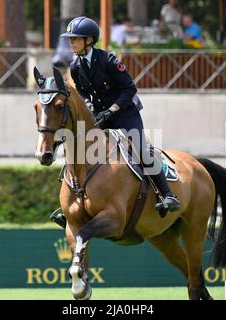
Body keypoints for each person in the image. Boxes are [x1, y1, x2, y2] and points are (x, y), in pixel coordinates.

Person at [60, 16, 181, 217]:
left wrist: (113, 109)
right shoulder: (75, 67)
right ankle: (72, 203)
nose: (71, 42)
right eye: (70, 39)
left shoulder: (108, 60)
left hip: (125, 112)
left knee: (141, 148)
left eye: (75, 38)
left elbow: (129, 88)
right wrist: (91, 107)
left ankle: (167, 195)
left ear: (89, 40)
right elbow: (82, 94)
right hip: (100, 116)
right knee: (79, 148)